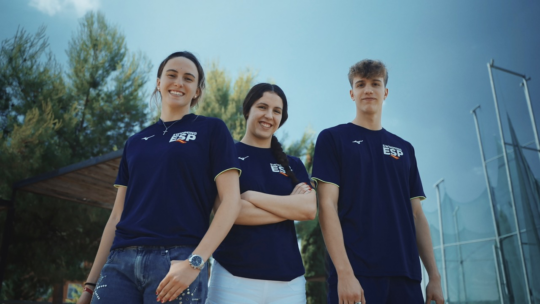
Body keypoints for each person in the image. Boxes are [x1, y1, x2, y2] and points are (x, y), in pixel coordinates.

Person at [76, 51, 241, 304]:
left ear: (197, 90)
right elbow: (117, 216)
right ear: (158, 82)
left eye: (188, 78)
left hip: (177, 259)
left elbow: (231, 202)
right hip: (119, 264)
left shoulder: (211, 129)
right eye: (171, 75)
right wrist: (90, 284)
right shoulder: (134, 142)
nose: (178, 82)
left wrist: (195, 262)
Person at [312, 59, 444, 304]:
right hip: (357, 276)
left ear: (386, 92)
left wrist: (434, 277)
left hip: (406, 276)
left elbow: (417, 215)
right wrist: (345, 273)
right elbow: (327, 206)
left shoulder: (405, 149)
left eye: (375, 83)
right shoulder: (333, 139)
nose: (368, 90)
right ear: (352, 94)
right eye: (361, 84)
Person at [207, 83, 317, 304]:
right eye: (262, 107)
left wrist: (251, 197)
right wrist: (289, 206)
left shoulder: (293, 165)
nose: (269, 115)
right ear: (248, 109)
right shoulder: (227, 154)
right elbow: (231, 212)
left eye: (276, 111)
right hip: (233, 278)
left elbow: (308, 209)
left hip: (289, 284)